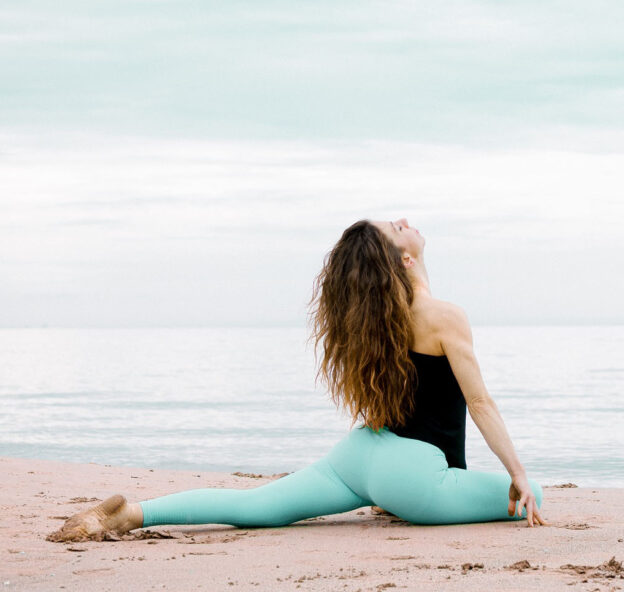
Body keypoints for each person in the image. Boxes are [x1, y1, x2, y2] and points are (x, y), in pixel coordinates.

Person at [48, 218, 546, 542]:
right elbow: (478, 402)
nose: (404, 222)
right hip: (411, 478)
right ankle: (402, 500)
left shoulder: (376, 322)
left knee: (259, 504)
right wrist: (518, 473)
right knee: (532, 498)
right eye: (396, 228)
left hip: (361, 455)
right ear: (407, 260)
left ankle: (132, 514)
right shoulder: (443, 316)